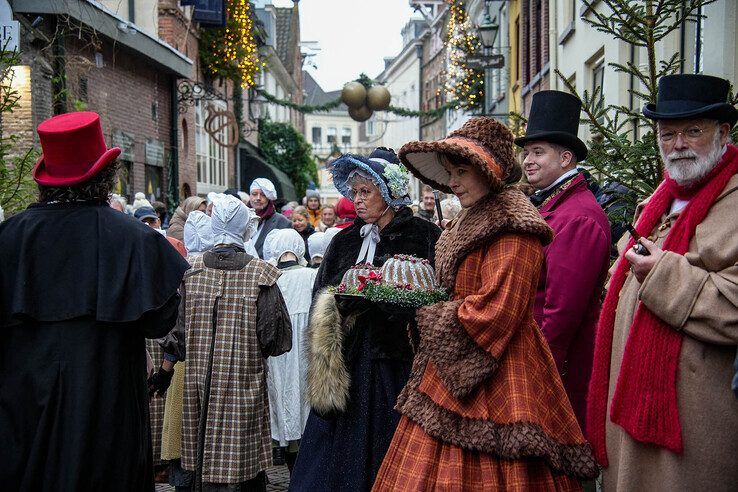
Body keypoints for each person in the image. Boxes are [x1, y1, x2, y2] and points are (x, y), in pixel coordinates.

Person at [372, 116, 597, 490]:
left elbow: (497, 311)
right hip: (449, 363)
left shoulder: (514, 226)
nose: (453, 182)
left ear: (489, 172)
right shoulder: (469, 219)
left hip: (501, 369)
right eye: (449, 172)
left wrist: (424, 312)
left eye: (461, 171)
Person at [0, 111, 189, 489]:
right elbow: (160, 321)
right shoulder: (136, 240)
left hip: (24, 417)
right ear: (105, 175)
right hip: (107, 413)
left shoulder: (9, 238)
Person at [588, 74, 738, 491]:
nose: (678, 144)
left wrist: (661, 274)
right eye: (668, 134)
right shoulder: (661, 196)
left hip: (696, 423)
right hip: (632, 414)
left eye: (693, 131)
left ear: (723, 133)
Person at [289, 147, 441, 491]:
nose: (357, 200)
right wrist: (341, 305)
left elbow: (436, 294)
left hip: (399, 361)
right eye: (354, 192)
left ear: (387, 192)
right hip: (350, 361)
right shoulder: (343, 241)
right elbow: (321, 294)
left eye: (365, 192)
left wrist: (391, 300)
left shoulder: (422, 236)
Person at [173, 195, 292, 491]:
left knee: (204, 462)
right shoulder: (260, 273)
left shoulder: (190, 271)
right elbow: (275, 339)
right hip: (243, 383)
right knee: (245, 465)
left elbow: (177, 336)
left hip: (198, 383)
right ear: (244, 227)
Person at [514, 90, 611, 431]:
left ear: (566, 158)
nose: (527, 160)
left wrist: (538, 372)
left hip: (554, 369)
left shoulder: (578, 216)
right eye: (526, 152)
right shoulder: (552, 206)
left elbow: (561, 313)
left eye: (538, 152)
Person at [159, 210, 214, 492]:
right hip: (214, 361)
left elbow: (176, 327)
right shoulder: (212, 268)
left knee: (183, 436)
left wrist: (165, 369)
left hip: (184, 362)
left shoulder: (186, 270)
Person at [261, 228, 318, 473]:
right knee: (303, 403)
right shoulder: (312, 276)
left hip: (278, 353)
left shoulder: (269, 278)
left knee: (284, 400)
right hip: (305, 350)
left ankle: (291, 462)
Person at [248, 178, 292, 259]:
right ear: (250, 196)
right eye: (254, 194)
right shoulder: (241, 218)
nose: (258, 198)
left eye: (263, 195)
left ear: (269, 198)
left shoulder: (282, 222)